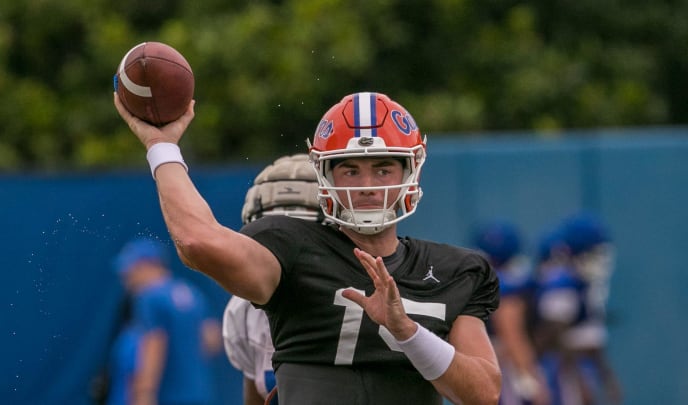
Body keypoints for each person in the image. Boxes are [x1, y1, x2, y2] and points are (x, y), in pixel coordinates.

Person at [114, 90, 502, 404]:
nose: (367, 185)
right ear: (325, 174)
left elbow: (484, 393)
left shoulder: (455, 269)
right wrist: (162, 148)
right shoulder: (291, 248)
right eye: (350, 169)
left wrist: (407, 331)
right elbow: (198, 242)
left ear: (410, 171)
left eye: (383, 169)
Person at [222, 153, 323, 405]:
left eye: (301, 233)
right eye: (272, 234)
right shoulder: (243, 309)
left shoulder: (363, 298)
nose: (284, 249)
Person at [108, 238, 222, 405]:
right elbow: (212, 341)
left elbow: (154, 343)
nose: (127, 280)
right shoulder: (191, 293)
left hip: (167, 397)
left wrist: (144, 394)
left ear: (147, 265)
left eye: (130, 272)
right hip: (198, 394)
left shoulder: (149, 297)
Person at [533, 213, 622, 405]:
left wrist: (606, 376)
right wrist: (578, 375)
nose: (601, 261)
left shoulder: (585, 284)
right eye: (594, 254)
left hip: (577, 368)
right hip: (561, 371)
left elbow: (591, 341)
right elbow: (553, 336)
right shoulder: (561, 283)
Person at [473, 221, 550, 405]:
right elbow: (512, 336)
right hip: (503, 368)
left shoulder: (476, 282)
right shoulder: (507, 288)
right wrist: (532, 375)